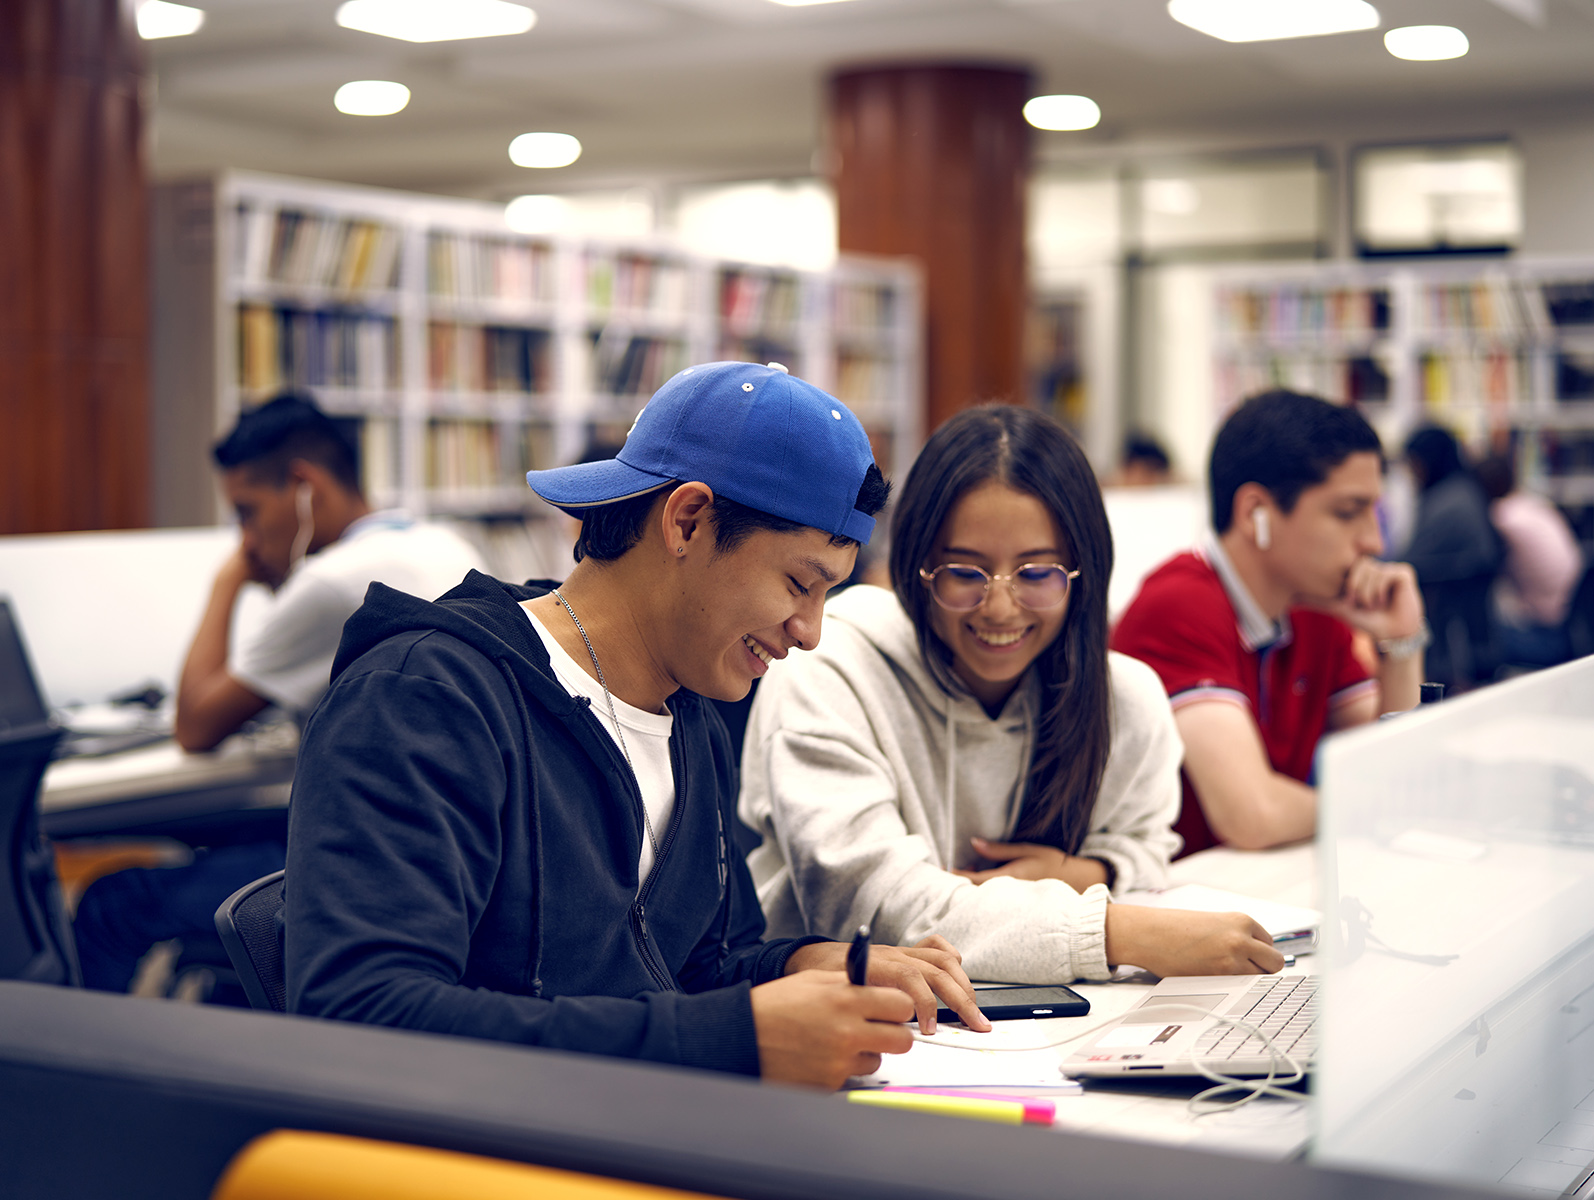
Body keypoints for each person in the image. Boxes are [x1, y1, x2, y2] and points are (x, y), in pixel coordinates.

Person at [284, 362, 987, 1091]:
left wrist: (802, 963)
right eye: (798, 584)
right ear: (687, 520)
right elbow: (363, 1018)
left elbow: (693, 968)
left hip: (645, 1137)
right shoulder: (424, 699)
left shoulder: (692, 713)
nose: (810, 632)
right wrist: (731, 1038)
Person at [739, 405, 1284, 983]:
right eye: (964, 572)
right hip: (854, 1025)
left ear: (1083, 572)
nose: (999, 608)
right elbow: (872, 906)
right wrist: (1113, 930)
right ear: (916, 567)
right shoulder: (830, 668)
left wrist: (1080, 870)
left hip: (1058, 1022)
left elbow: (1145, 852)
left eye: (1037, 573)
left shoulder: (1124, 695)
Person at [74, 392, 481, 994]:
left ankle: (74, 1077)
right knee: (221, 840)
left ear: (303, 487)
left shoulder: (331, 581)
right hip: (450, 850)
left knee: (111, 903)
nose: (247, 537)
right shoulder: (440, 542)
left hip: (362, 862)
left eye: (247, 512)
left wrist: (229, 580)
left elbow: (196, 727)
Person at [1112, 390, 1426, 854]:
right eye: (1347, 513)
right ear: (1254, 513)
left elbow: (1396, 772)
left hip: (1250, 891)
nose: (1374, 541)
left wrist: (1400, 644)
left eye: (1373, 512)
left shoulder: (1313, 607)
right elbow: (1253, 816)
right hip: (1169, 901)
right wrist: (1379, 804)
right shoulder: (1177, 606)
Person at [1399, 425, 1504, 691]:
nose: (1412, 474)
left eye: (1414, 464)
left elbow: (1409, 561)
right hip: (1475, 640)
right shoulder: (1464, 490)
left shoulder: (1446, 502)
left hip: (1449, 640)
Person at [1474, 454, 1583, 666]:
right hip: (1572, 624)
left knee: (1476, 640)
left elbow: (1487, 564)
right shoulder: (1533, 504)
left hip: (1546, 633)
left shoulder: (1501, 518)